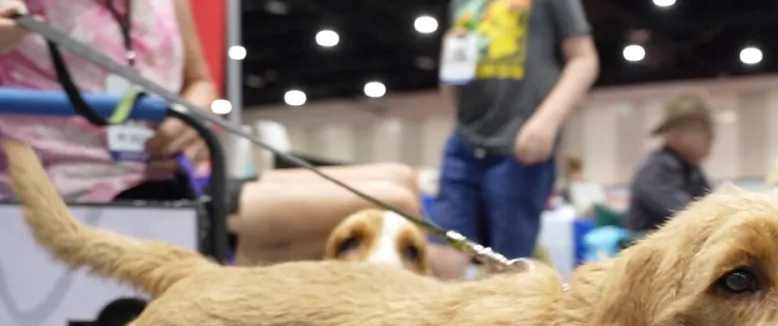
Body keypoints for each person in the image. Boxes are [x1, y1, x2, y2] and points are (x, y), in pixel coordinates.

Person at [0, 0, 426, 270]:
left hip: (174, 176)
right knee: (395, 203)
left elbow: (200, 83)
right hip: (76, 189)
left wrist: (189, 116)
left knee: (400, 179)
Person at [431, 0, 599, 279]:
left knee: (508, 263)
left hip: (521, 147)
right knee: (443, 253)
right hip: (465, 141)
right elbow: (453, 83)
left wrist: (548, 120)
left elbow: (584, 58)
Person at [624, 90, 713, 233]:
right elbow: (691, 216)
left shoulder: (691, 170)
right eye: (702, 129)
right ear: (674, 133)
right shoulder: (656, 169)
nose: (710, 137)